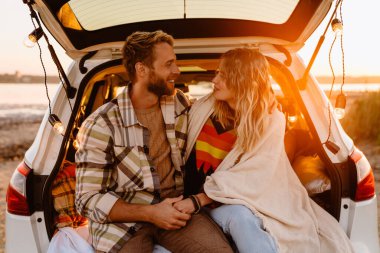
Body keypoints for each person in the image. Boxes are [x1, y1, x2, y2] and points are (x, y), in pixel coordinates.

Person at [173, 48, 354, 253]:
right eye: (216, 73)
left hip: (229, 203)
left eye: (223, 75)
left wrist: (198, 200)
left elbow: (255, 174)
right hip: (194, 204)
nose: (214, 80)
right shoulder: (203, 108)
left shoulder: (269, 120)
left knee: (240, 217)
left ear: (242, 79)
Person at [75, 30, 233, 253]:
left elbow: (223, 104)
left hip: (176, 209)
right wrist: (150, 213)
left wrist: (264, 108)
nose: (177, 71)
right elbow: (87, 199)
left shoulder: (179, 103)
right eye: (169, 64)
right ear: (141, 69)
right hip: (124, 222)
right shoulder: (101, 124)